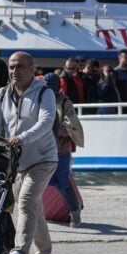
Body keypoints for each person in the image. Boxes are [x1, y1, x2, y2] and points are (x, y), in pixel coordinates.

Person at [0, 51, 58, 254]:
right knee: (34, 208)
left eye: (20, 67)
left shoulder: (44, 92)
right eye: (11, 67)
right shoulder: (2, 94)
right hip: (16, 162)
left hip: (43, 159)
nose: (14, 71)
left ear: (31, 69)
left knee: (26, 201)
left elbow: (46, 122)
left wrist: (22, 138)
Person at [42, 73, 85, 228]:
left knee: (62, 184)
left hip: (60, 151)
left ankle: (74, 211)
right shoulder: (38, 100)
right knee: (36, 182)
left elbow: (72, 127)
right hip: (42, 150)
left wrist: (56, 128)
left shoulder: (65, 103)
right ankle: (36, 215)